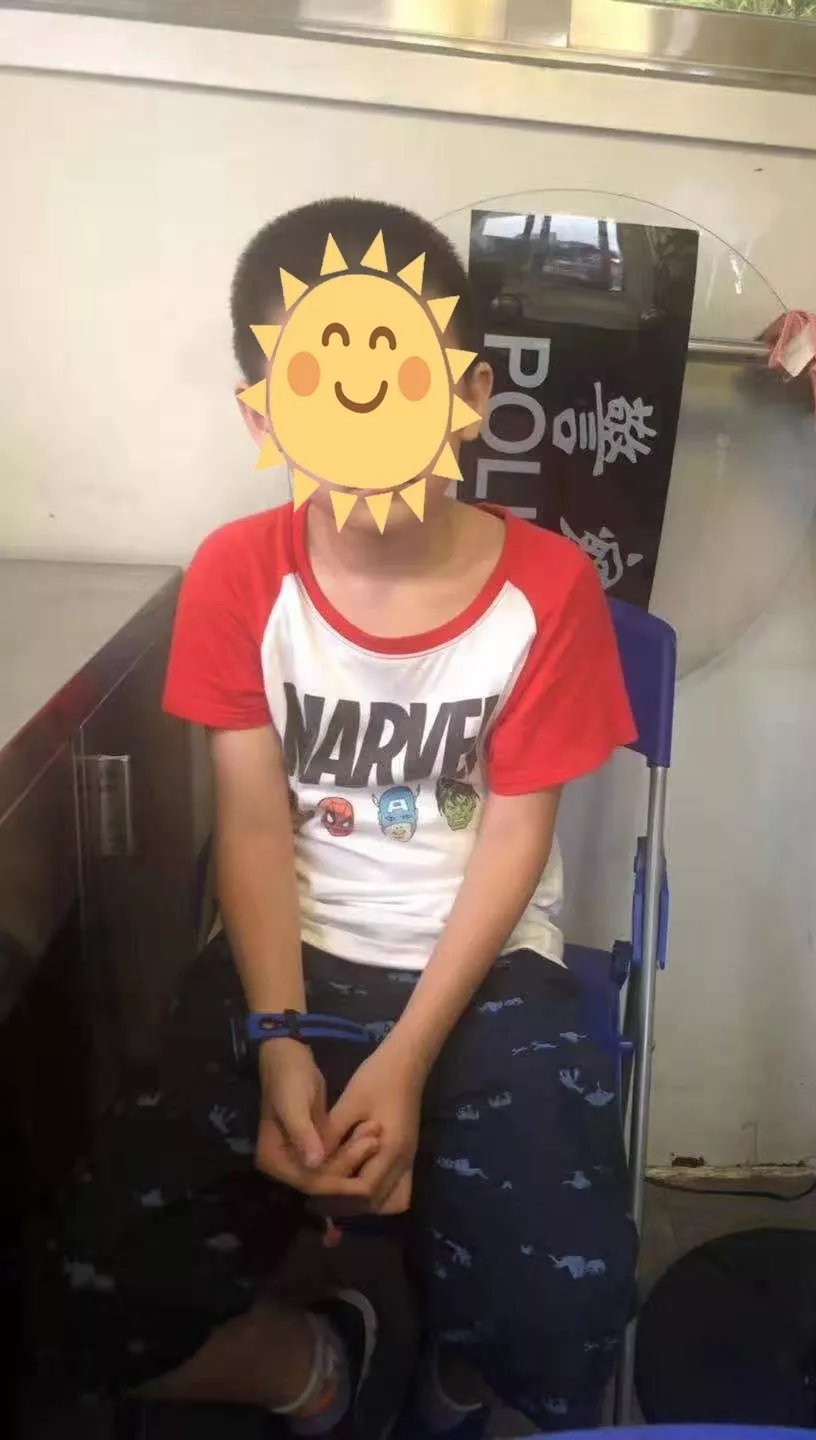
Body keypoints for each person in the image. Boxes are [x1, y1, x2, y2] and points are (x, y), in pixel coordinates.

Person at [37, 197, 639, 1439]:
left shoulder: (549, 588)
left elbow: (514, 840)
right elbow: (253, 830)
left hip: (484, 970)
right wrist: (278, 1040)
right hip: (287, 959)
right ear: (265, 410)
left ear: (466, 392)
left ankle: (457, 1379)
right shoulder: (238, 572)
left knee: (567, 1319)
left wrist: (404, 1061)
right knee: (73, 1305)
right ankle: (308, 1361)